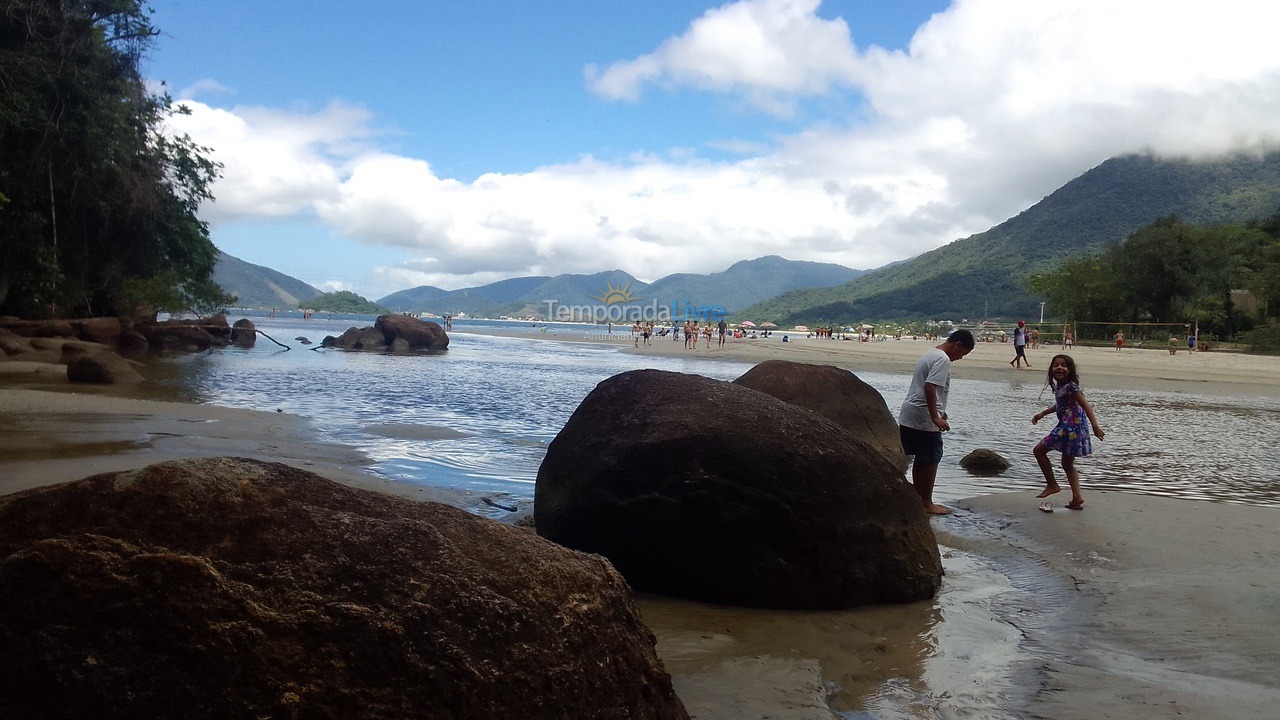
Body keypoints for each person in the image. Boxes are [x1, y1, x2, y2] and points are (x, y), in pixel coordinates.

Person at [899, 329, 975, 515]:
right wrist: (935, 416)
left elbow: (926, 387)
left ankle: (920, 499)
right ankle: (927, 502)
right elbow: (929, 386)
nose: (961, 358)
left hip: (910, 414)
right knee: (932, 458)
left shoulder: (931, 353)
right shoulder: (942, 359)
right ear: (957, 345)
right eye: (963, 353)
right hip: (923, 417)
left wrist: (941, 412)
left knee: (921, 458)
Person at [1032, 354, 1104, 511]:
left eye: (1063, 365)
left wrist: (1095, 426)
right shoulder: (1061, 387)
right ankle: (1077, 498)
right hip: (1071, 428)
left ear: (1070, 370)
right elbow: (1060, 405)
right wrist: (1043, 413)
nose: (1059, 368)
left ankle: (1052, 484)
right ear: (1051, 370)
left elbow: (1086, 406)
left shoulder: (1071, 387)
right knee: (1067, 463)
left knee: (1039, 450)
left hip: (1069, 428)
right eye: (1056, 365)